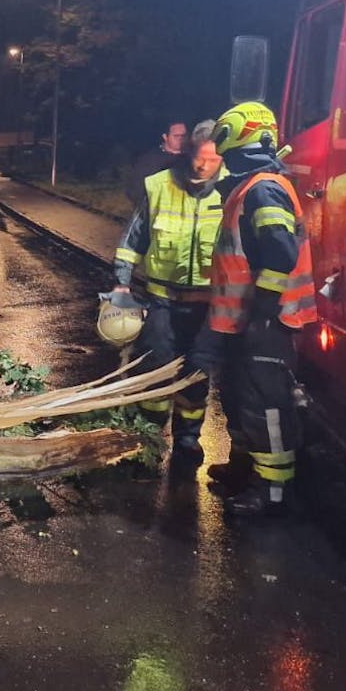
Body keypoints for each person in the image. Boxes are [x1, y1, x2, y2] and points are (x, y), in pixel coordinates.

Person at [188, 102, 317, 516]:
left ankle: (273, 491)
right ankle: (245, 469)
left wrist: (262, 312)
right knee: (241, 398)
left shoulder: (263, 188)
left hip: (266, 323)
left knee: (267, 406)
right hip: (243, 321)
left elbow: (280, 253)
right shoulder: (250, 188)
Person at [110, 120, 223, 465]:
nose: (203, 166)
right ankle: (149, 438)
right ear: (188, 152)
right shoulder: (159, 186)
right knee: (156, 367)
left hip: (207, 306)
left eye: (212, 160)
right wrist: (121, 283)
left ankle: (188, 440)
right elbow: (134, 239)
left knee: (196, 374)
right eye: (198, 157)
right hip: (162, 301)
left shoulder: (232, 192)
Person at [123, 121, 188, 209]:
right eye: (176, 136)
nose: (180, 139)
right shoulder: (149, 160)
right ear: (165, 137)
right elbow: (135, 189)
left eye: (183, 136)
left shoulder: (193, 158)